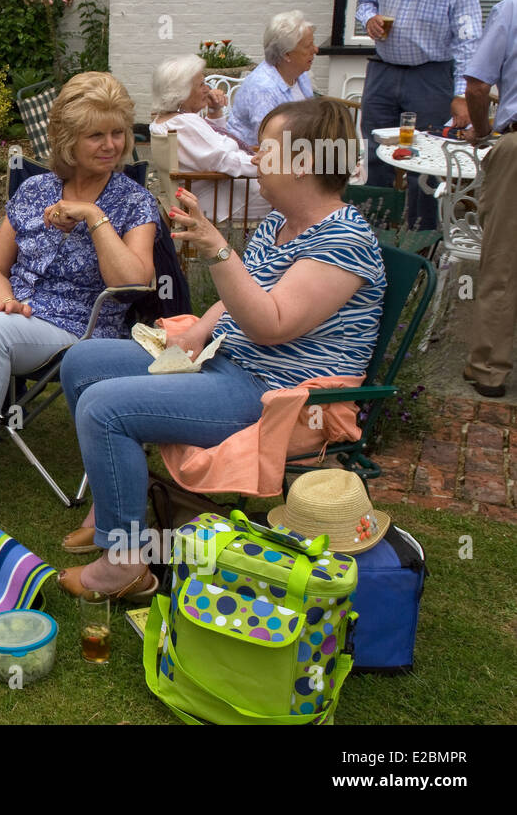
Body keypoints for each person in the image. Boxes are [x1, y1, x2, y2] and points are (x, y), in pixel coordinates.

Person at [56, 98, 385, 602]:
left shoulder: (344, 240)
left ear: (302, 162)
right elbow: (240, 299)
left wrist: (217, 248)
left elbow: (270, 324)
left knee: (105, 409)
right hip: (224, 360)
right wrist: (199, 331)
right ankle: (115, 505)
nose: (254, 157)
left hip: (274, 393)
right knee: (83, 361)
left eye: (266, 148)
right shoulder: (280, 223)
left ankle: (123, 564)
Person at [0, 73, 159, 511]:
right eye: (95, 135)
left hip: (79, 326)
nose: (111, 144)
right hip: (15, 312)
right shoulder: (33, 190)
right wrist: (3, 299)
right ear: (67, 141)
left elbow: (134, 282)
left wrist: (93, 216)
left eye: (117, 132)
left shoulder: (134, 201)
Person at [356, 0, 483, 231]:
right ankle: (373, 232)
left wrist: (461, 95)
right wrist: (368, 18)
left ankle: (421, 241)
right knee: (375, 153)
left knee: (423, 160)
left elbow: (468, 40)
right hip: (384, 70)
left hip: (430, 76)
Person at [462, 0, 517, 398]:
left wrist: (482, 133)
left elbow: (478, 86)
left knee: (503, 258)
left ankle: (489, 369)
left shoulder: (512, 9)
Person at [150, 55, 270, 224]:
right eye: (201, 85)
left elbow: (210, 145)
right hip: (218, 199)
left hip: (214, 192)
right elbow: (223, 159)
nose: (207, 89)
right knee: (296, 198)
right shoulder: (184, 123)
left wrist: (214, 111)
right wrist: (270, 166)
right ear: (181, 93)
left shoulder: (167, 120)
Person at [225, 10, 317, 148]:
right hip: (255, 157)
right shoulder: (263, 89)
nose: (316, 50)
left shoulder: (300, 74)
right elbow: (270, 142)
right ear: (286, 54)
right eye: (308, 46)